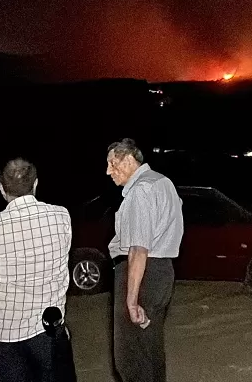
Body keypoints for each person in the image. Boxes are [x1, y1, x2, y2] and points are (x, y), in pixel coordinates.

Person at [0, 158, 74, 382]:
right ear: (36, 184)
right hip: (50, 332)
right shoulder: (61, 216)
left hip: (6, 335)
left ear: (1, 188)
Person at [106, 139, 184, 382]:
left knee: (129, 359)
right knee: (150, 350)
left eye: (112, 163)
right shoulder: (163, 182)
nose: (108, 171)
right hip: (162, 271)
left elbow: (139, 249)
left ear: (129, 160)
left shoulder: (140, 190)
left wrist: (131, 300)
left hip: (142, 274)